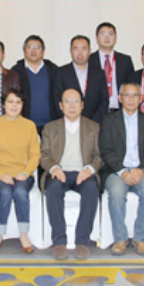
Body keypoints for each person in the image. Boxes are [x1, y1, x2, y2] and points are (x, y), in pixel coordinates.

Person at [40, 88, 102, 261]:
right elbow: (44, 155)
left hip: (83, 172)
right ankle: (59, 242)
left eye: (76, 101)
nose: (72, 105)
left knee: (91, 188)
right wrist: (54, 168)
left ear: (82, 105)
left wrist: (89, 169)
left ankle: (82, 241)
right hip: (60, 172)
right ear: (61, 105)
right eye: (67, 101)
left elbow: (99, 156)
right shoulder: (50, 128)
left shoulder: (93, 127)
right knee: (53, 189)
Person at [99, 82, 144, 256]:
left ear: (141, 99)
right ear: (120, 98)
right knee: (117, 192)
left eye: (135, 95)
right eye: (127, 95)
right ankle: (120, 239)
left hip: (142, 170)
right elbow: (105, 150)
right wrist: (122, 171)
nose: (131, 99)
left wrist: (141, 170)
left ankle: (140, 238)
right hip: (116, 171)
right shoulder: (109, 121)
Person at [0, 89, 40, 254]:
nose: (14, 106)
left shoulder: (29, 126)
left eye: (18, 102)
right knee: (6, 192)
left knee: (20, 192)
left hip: (23, 174)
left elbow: (35, 155)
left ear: (22, 105)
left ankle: (23, 234)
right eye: (10, 101)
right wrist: (1, 174)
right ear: (3, 104)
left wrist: (26, 172)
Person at [12, 34, 59, 135]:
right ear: (24, 50)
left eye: (37, 47)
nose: (33, 51)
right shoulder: (15, 72)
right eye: (30, 47)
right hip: (24, 124)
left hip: (50, 125)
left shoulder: (53, 70)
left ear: (43, 51)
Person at [55, 35, 108, 124]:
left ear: (89, 51)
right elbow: (57, 100)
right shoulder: (61, 73)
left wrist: (92, 123)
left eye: (84, 49)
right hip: (68, 124)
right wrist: (70, 121)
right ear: (70, 51)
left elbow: (104, 101)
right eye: (76, 49)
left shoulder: (99, 73)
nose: (80, 53)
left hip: (94, 125)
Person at [89, 22, 135, 115]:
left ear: (115, 37)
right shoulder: (89, 60)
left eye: (110, 34)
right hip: (96, 113)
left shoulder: (125, 60)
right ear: (96, 38)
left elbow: (131, 86)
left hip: (120, 112)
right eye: (103, 34)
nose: (107, 37)